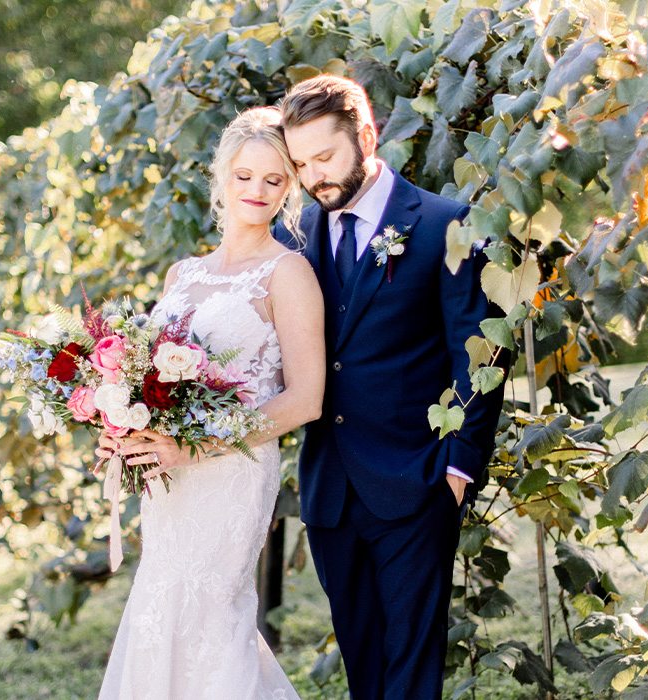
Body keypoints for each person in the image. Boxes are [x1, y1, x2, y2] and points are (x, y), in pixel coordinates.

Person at [275, 75, 508, 699]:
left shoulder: (443, 225)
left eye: (325, 157)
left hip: (418, 478)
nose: (314, 177)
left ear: (367, 137)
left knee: (411, 663)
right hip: (329, 488)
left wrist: (458, 467)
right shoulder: (292, 238)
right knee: (363, 661)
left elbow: (479, 352)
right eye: (301, 164)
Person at [94, 106, 324, 699]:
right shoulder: (182, 275)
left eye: (274, 180)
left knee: (212, 615)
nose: (257, 190)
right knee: (162, 606)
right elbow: (150, 376)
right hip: (166, 479)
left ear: (288, 189)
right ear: (221, 178)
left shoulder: (288, 272)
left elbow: (305, 399)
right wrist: (121, 427)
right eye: (244, 176)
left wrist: (190, 447)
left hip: (232, 472)